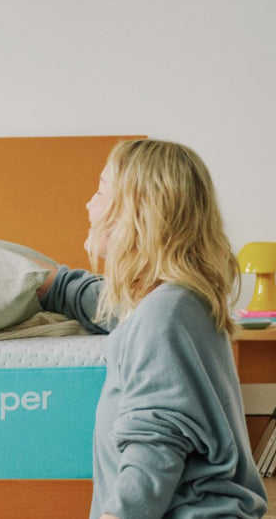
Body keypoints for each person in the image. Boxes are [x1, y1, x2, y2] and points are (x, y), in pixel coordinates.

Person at [37, 139, 267, 518]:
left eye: (99, 190)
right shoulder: (169, 302)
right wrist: (54, 286)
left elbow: (155, 448)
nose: (88, 204)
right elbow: (107, 304)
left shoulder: (164, 315)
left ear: (136, 212)